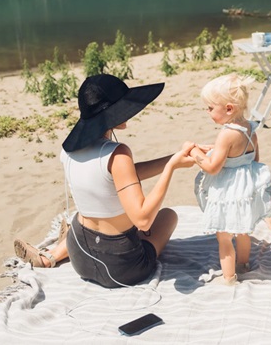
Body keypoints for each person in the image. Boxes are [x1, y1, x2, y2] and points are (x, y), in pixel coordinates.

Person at [16, 74, 195, 287]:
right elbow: (143, 220)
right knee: (167, 216)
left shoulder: (68, 151)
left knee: (87, 214)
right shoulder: (118, 154)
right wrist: (172, 168)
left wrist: (173, 158)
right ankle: (55, 252)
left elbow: (119, 175)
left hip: (80, 255)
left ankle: (52, 255)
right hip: (121, 267)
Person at [190, 73, 271, 285]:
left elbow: (212, 167)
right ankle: (244, 264)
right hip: (245, 185)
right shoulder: (249, 128)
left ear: (229, 109)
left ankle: (229, 278)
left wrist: (195, 153)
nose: (208, 112)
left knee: (224, 235)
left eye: (210, 108)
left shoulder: (226, 134)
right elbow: (254, 158)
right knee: (243, 229)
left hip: (228, 188)